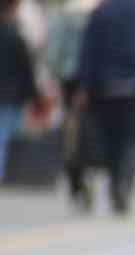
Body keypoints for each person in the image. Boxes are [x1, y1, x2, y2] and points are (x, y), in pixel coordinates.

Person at [75, 0, 135, 215]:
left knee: (111, 138)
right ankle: (123, 184)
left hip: (105, 85)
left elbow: (88, 50)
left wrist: (85, 84)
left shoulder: (101, 12)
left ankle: (116, 183)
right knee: (132, 140)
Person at [44, 0, 94, 209]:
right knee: (86, 129)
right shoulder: (97, 13)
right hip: (92, 81)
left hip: (68, 79)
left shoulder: (62, 15)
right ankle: (82, 173)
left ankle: (77, 175)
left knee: (72, 130)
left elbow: (53, 53)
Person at [0, 0, 40, 182]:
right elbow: (26, 70)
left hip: (10, 94)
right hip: (10, 95)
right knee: (4, 135)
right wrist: (34, 96)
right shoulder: (16, 37)